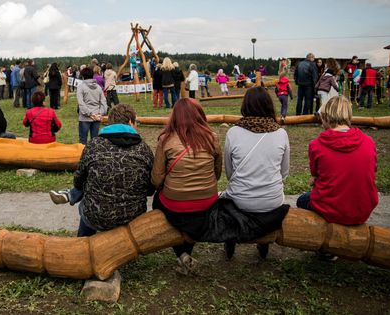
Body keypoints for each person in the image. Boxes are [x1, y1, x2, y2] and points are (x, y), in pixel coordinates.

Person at [49, 104, 154, 237]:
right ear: (130, 122)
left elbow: (79, 181)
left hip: (97, 217)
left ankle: (82, 241)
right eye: (136, 122)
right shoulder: (144, 149)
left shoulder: (93, 145)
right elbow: (150, 189)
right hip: (133, 218)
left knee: (88, 200)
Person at [297, 96, 378, 261]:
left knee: (302, 201)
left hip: (331, 209)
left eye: (322, 119)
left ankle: (325, 246)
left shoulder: (316, 145)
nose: (321, 123)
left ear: (327, 118)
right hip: (362, 209)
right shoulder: (369, 142)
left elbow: (316, 174)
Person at [151, 97, 223, 274]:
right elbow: (217, 173)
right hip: (207, 202)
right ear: (200, 115)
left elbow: (156, 179)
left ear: (174, 117)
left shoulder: (166, 140)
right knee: (192, 217)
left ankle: (182, 253)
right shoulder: (212, 138)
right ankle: (185, 252)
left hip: (175, 204)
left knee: (158, 203)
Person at [222, 86, 290, 259]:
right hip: (272, 200)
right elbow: (284, 172)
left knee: (223, 201)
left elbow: (230, 174)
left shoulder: (233, 133)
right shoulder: (281, 133)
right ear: (269, 106)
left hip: (240, 199)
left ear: (245, 105)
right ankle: (264, 243)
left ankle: (230, 240)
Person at [77, 67, 108, 145]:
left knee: (83, 141)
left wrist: (91, 114)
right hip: (96, 117)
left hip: (85, 118)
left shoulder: (81, 87)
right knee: (95, 141)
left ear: (83, 76)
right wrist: (100, 113)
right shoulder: (98, 87)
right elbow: (104, 102)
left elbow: (81, 103)